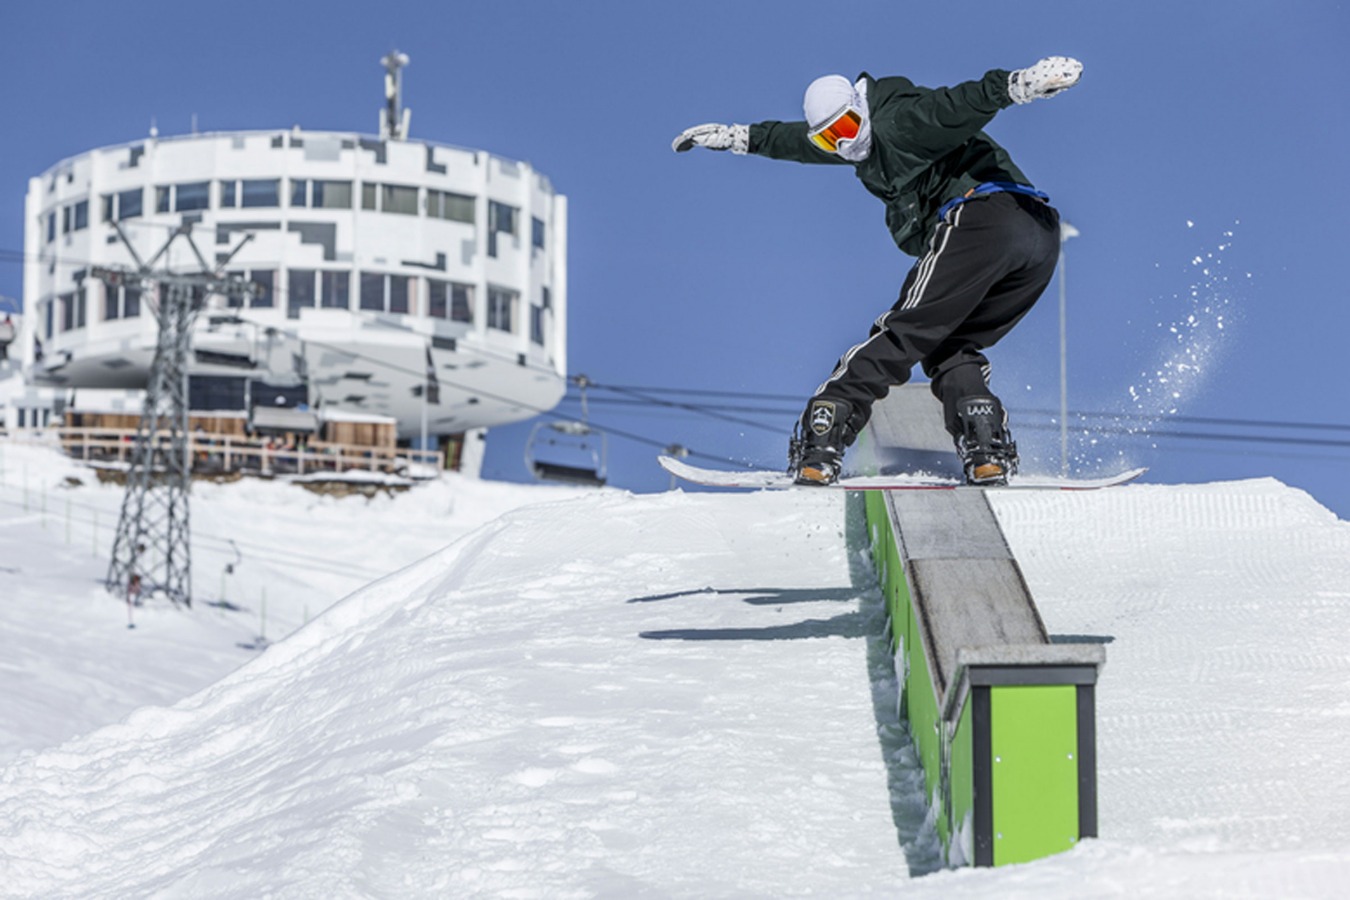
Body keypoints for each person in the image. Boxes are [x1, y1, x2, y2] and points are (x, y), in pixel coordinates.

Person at [673, 57, 1082, 485]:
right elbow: (795, 142)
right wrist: (738, 138)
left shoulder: (900, 121)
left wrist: (1018, 85)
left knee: (901, 333)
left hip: (981, 217)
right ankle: (984, 444)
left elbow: (957, 105)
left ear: (860, 108)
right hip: (1036, 237)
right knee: (948, 346)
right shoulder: (858, 138)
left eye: (846, 128)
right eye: (829, 139)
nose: (843, 143)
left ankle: (825, 429)